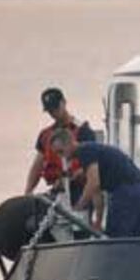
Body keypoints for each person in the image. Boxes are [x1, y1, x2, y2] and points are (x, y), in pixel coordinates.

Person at [50, 129, 140, 238]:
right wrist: (98, 221)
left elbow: (93, 183)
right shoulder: (92, 154)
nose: (61, 157)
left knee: (117, 238)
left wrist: (78, 207)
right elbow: (96, 193)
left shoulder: (85, 151)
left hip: (126, 192)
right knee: (133, 238)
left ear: (70, 143)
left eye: (61, 152)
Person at [25, 87, 103, 226]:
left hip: (79, 188)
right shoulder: (46, 135)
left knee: (79, 222)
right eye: (50, 110)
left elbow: (92, 168)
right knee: (37, 218)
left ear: (64, 103)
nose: (53, 113)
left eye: (55, 108)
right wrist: (28, 191)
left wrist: (71, 178)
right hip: (57, 191)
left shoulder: (83, 131)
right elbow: (37, 166)